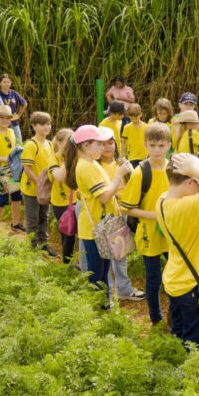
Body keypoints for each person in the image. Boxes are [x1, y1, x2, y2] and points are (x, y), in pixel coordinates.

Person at [155, 153, 199, 345]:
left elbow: (186, 230)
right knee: (194, 343)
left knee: (179, 335)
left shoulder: (163, 200)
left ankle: (178, 369)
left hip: (176, 279)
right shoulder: (186, 206)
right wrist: (196, 171)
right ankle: (191, 373)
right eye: (198, 183)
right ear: (189, 183)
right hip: (192, 286)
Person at [65, 125, 133, 302]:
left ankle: (105, 306)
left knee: (104, 268)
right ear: (86, 145)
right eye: (99, 144)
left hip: (103, 225)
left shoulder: (92, 163)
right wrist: (118, 176)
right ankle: (99, 311)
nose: (103, 148)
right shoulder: (86, 167)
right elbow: (104, 196)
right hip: (96, 227)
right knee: (97, 273)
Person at [121, 123, 172, 325]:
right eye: (153, 145)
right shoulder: (140, 172)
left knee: (176, 275)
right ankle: (156, 319)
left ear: (169, 145)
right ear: (145, 145)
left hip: (171, 232)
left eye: (161, 145)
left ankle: (174, 316)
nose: (157, 150)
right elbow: (127, 207)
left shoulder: (173, 169)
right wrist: (155, 215)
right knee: (154, 280)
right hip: (148, 233)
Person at [97, 134, 145, 303]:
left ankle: (124, 288)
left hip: (123, 212)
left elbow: (132, 184)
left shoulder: (122, 163)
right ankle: (109, 292)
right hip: (107, 216)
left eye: (111, 143)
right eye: (102, 144)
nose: (108, 147)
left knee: (121, 253)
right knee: (107, 255)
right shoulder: (96, 167)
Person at [20, 111, 56, 255]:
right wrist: (39, 183)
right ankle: (32, 247)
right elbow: (27, 169)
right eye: (42, 124)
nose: (46, 127)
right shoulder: (31, 145)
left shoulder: (50, 144)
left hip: (44, 189)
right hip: (31, 189)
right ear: (34, 126)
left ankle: (44, 244)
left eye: (48, 124)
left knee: (44, 216)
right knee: (32, 218)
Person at [47, 128, 76, 264]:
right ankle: (67, 265)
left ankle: (69, 261)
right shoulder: (53, 158)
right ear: (59, 143)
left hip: (76, 199)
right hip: (60, 202)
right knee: (67, 234)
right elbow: (58, 176)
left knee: (71, 234)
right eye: (68, 143)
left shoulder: (76, 156)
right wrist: (68, 159)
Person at [0, 73, 27, 144]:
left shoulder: (13, 93)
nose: (6, 84)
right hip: (2, 123)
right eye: (4, 82)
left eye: (8, 82)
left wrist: (18, 115)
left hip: (14, 123)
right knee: (4, 144)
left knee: (19, 143)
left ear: (11, 83)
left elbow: (24, 103)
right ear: (0, 83)